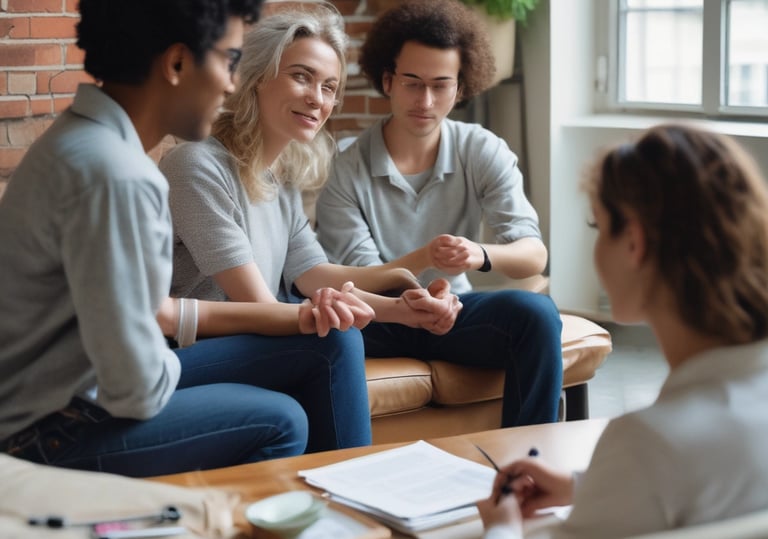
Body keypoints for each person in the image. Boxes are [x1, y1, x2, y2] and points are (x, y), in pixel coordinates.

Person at [0, 0, 375, 478]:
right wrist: (182, 333)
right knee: (282, 418)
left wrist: (176, 320)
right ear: (177, 63)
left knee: (322, 345)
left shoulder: (81, 141)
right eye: (229, 61)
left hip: (67, 399)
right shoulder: (119, 176)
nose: (233, 84)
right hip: (48, 431)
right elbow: (137, 390)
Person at [159, 1, 462, 405]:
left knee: (378, 330)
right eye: (302, 77)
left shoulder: (279, 178)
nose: (318, 99)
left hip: (249, 340)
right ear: (258, 77)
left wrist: (403, 308)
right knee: (335, 341)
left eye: (329, 87)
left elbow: (313, 274)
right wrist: (378, 308)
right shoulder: (196, 166)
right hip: (187, 352)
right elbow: (260, 306)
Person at [477, 124, 768, 538]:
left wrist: (502, 528)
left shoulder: (647, 443)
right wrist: (585, 487)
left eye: (597, 227)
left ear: (634, 243)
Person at [315, 0, 563, 427]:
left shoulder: (481, 150)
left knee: (537, 315)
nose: (425, 100)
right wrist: (422, 274)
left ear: (460, 88)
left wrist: (478, 254)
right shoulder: (345, 166)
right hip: (379, 317)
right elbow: (362, 276)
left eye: (441, 85)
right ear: (388, 80)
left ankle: (529, 458)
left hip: (455, 311)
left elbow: (533, 255)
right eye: (412, 83)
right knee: (326, 328)